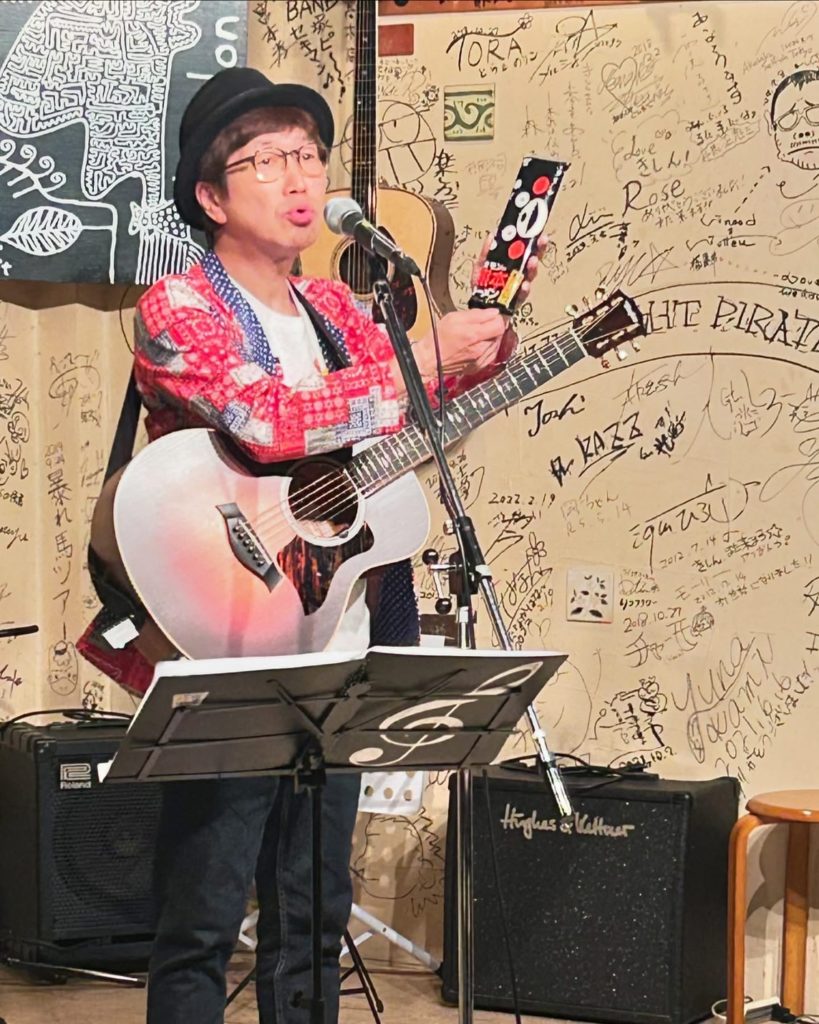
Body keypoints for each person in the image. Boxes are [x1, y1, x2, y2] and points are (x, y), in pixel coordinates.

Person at [78, 67, 548, 1024]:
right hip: (223, 640)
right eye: (268, 160)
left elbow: (407, 418)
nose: (299, 177)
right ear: (211, 197)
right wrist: (423, 357)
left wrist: (484, 344)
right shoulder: (179, 305)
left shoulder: (337, 311)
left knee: (313, 915)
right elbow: (266, 422)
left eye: (308, 154)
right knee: (202, 914)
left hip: (334, 636)